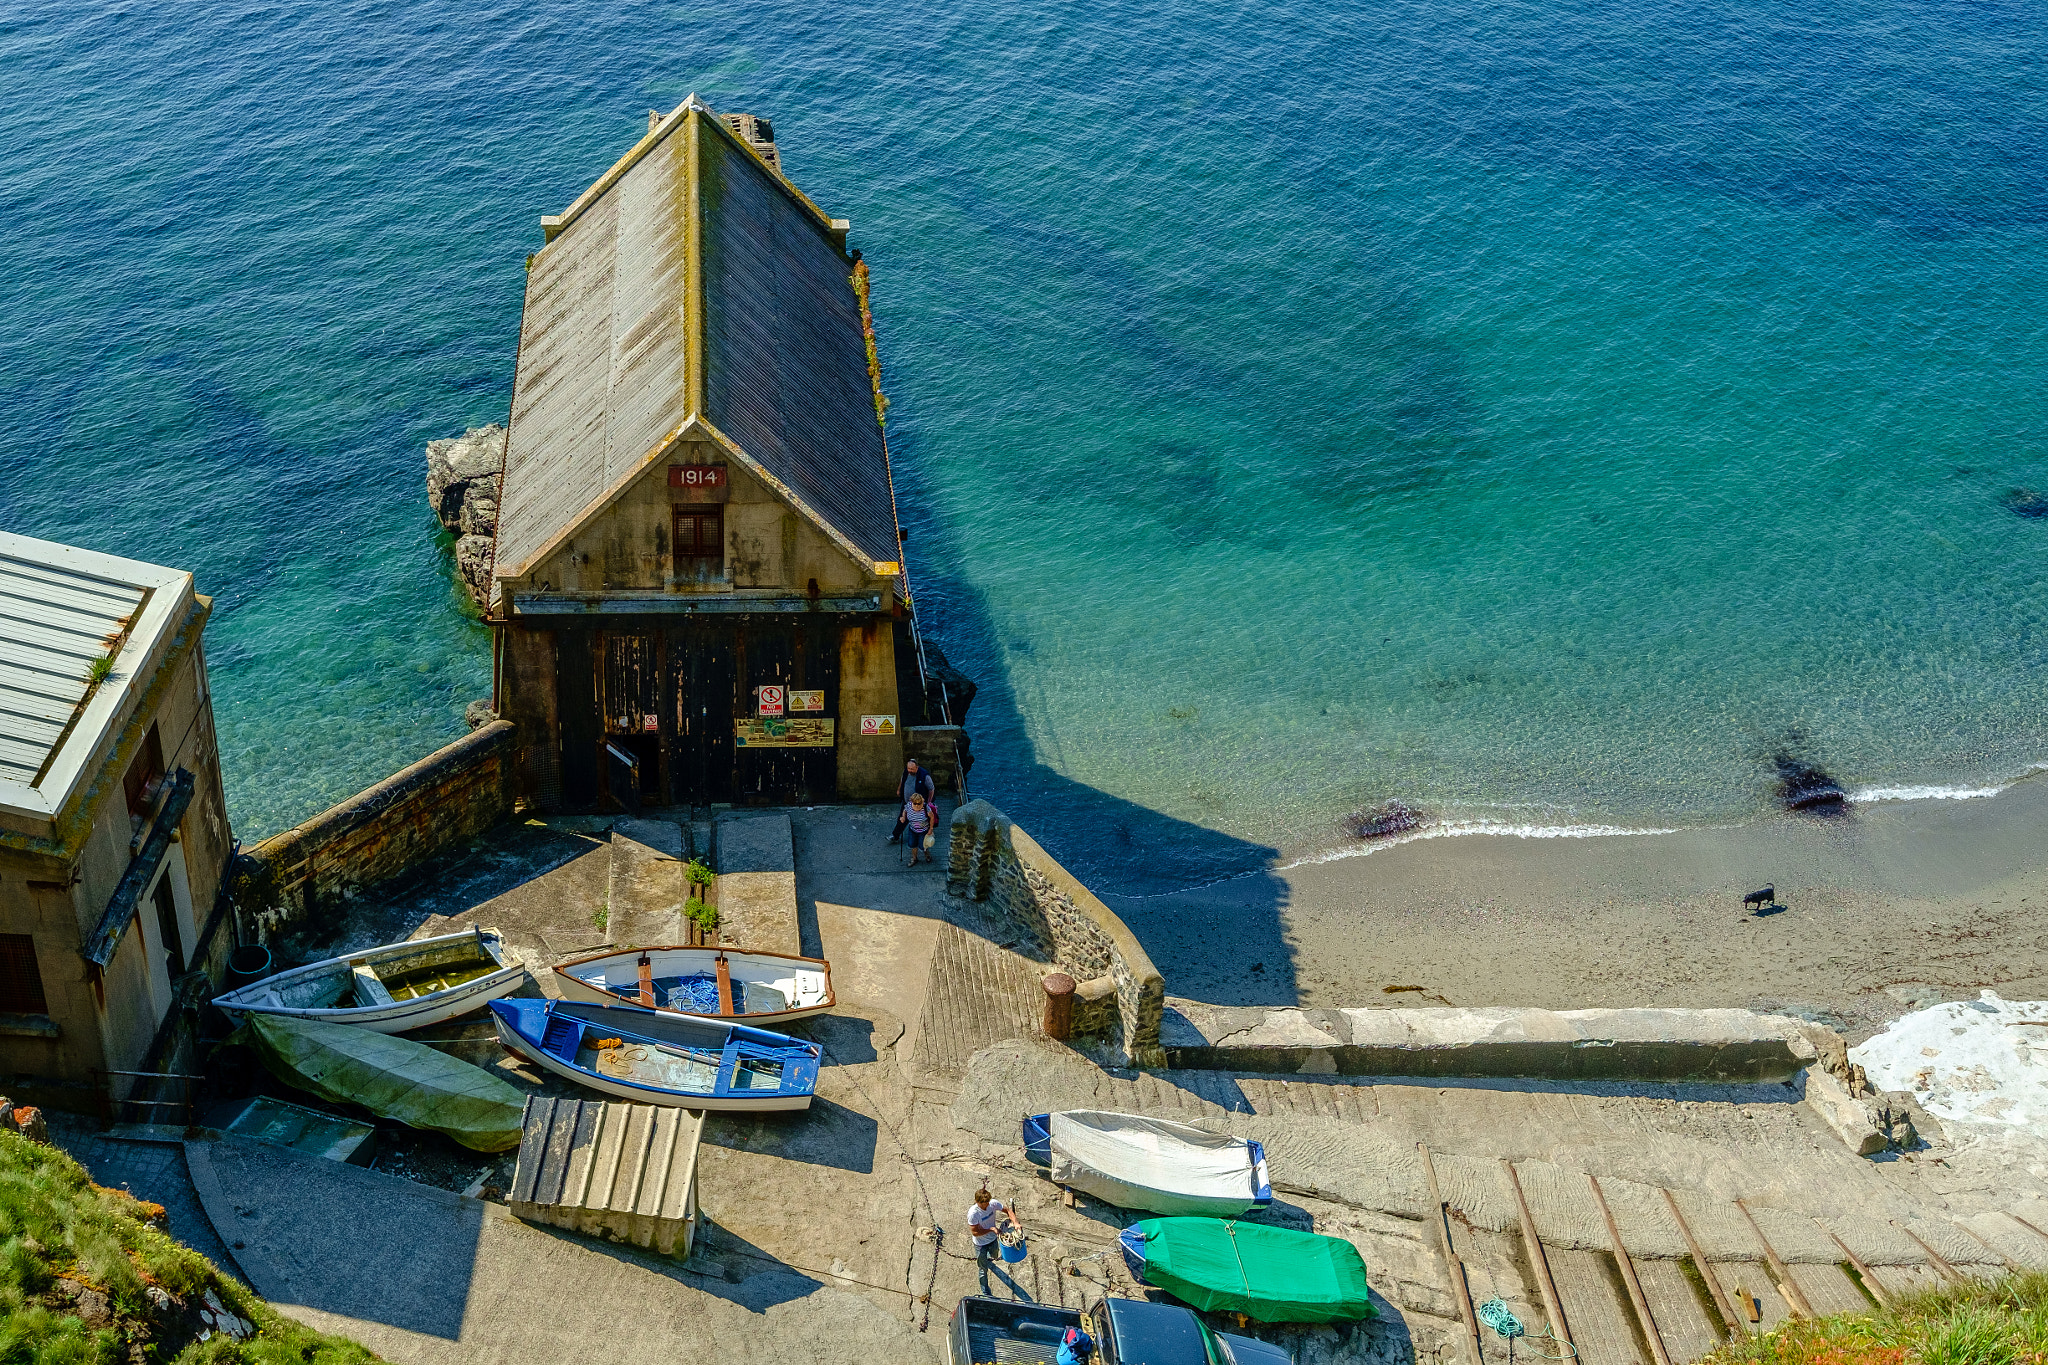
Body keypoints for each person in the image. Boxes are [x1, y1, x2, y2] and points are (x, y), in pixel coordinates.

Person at [967, 1187, 1010, 1295]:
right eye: (984, 1203)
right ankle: (985, 1290)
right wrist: (991, 1229)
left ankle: (991, 1260)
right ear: (977, 1202)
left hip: (993, 1239)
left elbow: (1007, 1210)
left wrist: (1014, 1221)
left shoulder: (993, 1204)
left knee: (995, 1254)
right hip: (980, 1244)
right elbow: (975, 1232)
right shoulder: (973, 1213)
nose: (986, 1205)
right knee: (982, 1269)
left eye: (987, 1202)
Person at [887, 760, 937, 843]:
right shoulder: (906, 772)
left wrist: (928, 802)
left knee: (924, 819)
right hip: (907, 802)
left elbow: (931, 789)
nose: (909, 770)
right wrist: (899, 789)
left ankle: (927, 834)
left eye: (912, 769)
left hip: (919, 803)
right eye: (908, 768)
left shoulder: (924, 775)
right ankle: (895, 835)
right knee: (902, 818)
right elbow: (902, 780)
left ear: (917, 767)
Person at [903, 792, 935, 864]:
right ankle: (914, 858)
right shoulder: (909, 805)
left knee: (923, 846)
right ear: (912, 802)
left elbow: (932, 817)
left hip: (923, 831)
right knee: (912, 845)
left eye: (919, 803)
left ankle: (927, 855)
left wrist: (931, 828)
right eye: (915, 803)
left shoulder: (926, 807)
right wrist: (903, 817)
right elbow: (904, 810)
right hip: (912, 829)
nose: (917, 805)